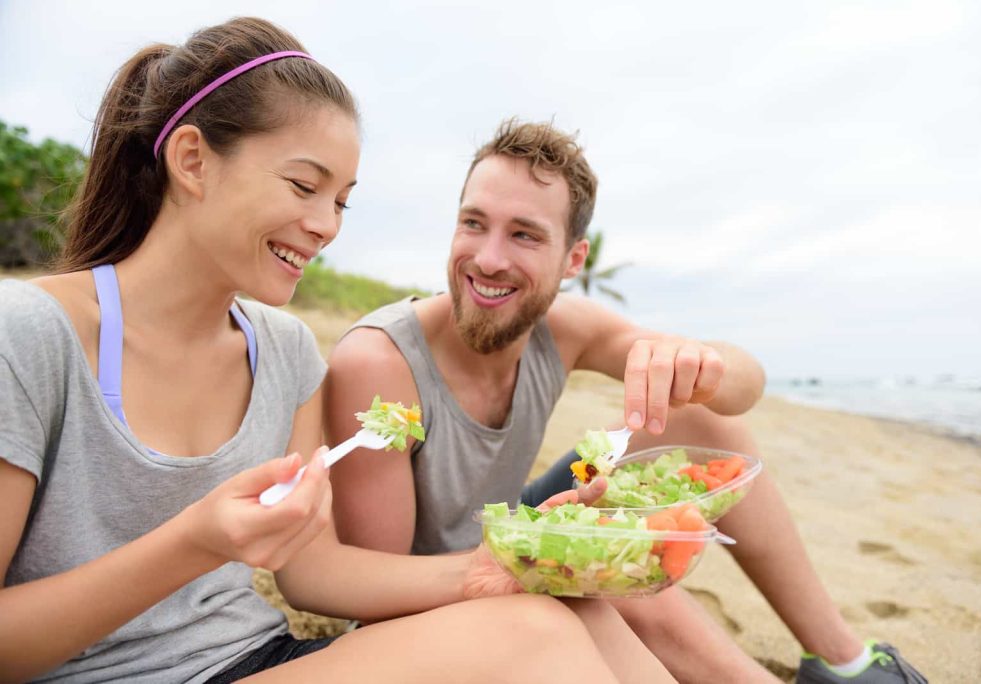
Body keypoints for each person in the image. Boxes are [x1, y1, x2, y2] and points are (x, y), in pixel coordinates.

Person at [0, 20, 675, 683]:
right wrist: (194, 543)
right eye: (303, 186)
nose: (325, 227)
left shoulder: (285, 350)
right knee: (535, 639)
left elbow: (313, 573)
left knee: (567, 613)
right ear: (192, 160)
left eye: (342, 202)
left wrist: (506, 560)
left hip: (263, 655)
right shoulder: (30, 334)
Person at [326, 119, 929, 683]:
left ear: (573, 261)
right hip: (436, 589)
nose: (488, 258)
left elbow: (746, 385)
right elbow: (376, 594)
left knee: (693, 409)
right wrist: (554, 557)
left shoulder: (564, 328)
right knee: (623, 586)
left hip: (521, 518)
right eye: (474, 223)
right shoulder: (381, 364)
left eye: (525, 235)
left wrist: (701, 363)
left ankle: (843, 662)